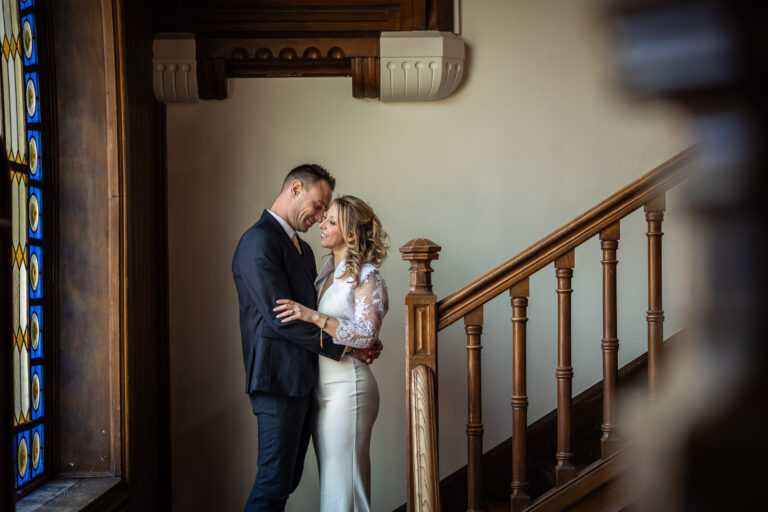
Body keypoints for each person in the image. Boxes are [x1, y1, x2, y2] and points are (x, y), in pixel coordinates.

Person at [232, 166, 381, 512]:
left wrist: (360, 340)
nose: (318, 218)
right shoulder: (259, 241)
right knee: (272, 484)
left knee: (287, 481)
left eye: (325, 213)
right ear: (296, 188)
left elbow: (328, 313)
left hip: (307, 383)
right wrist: (346, 347)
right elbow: (283, 318)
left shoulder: (308, 252)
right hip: (277, 382)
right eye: (317, 207)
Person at [274, 195, 389, 512]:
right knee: (334, 486)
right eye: (323, 219)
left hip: (349, 389)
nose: (321, 223)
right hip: (321, 391)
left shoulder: (368, 276)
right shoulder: (324, 272)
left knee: (345, 490)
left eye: (331, 221)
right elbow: (348, 335)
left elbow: (366, 334)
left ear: (351, 235)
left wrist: (312, 316)